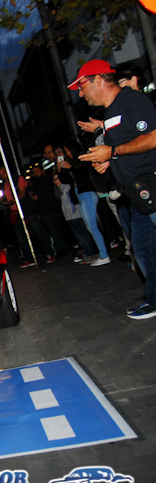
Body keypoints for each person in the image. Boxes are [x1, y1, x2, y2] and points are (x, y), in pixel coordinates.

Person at [72, 59, 156, 319]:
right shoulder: (109, 114)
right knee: (142, 250)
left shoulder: (132, 100)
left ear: (98, 80)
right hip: (135, 193)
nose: (80, 93)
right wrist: (108, 161)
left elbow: (153, 137)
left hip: (152, 185)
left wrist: (113, 152)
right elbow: (124, 147)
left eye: (81, 85)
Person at [55, 145, 111, 266]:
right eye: (65, 151)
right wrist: (60, 169)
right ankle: (101, 253)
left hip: (88, 194)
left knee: (92, 227)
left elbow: (84, 177)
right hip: (79, 197)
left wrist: (71, 168)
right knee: (90, 227)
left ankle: (104, 254)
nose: (67, 153)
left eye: (67, 151)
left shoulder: (82, 160)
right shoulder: (71, 164)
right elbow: (65, 180)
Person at [0, 167, 55, 267]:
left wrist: (12, 202)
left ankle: (49, 253)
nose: (3, 176)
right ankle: (29, 258)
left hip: (26, 210)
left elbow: (22, 193)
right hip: (15, 212)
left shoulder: (18, 179)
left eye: (3, 173)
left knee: (38, 232)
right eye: (1, 175)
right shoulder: (4, 184)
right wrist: (4, 202)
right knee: (21, 237)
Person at [52, 173, 98, 263]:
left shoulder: (67, 188)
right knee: (79, 236)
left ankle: (90, 253)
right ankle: (87, 252)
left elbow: (71, 203)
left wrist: (71, 214)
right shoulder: (61, 189)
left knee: (82, 235)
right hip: (70, 217)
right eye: (54, 180)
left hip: (75, 216)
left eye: (57, 178)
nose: (56, 181)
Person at [29, 159, 69, 254]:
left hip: (50, 208)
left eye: (37, 171)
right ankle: (59, 247)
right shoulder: (35, 183)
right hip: (42, 210)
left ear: (42, 171)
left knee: (54, 229)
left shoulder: (47, 180)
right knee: (51, 230)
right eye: (34, 172)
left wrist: (39, 197)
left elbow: (50, 193)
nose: (35, 174)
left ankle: (62, 248)